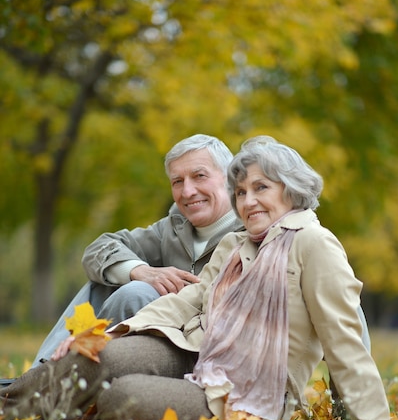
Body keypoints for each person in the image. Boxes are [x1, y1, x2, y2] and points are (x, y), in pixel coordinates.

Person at [0, 136, 395, 420]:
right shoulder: (235, 245)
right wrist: (106, 333)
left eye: (261, 188)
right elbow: (187, 301)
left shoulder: (314, 244)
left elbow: (345, 340)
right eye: (241, 192)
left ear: (290, 190)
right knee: (102, 356)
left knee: (122, 395)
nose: (248, 201)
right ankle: (8, 407)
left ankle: (76, 405)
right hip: (197, 355)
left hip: (249, 394)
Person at [31, 134, 243, 366]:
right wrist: (139, 270)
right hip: (142, 339)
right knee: (106, 278)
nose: (188, 191)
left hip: (197, 351)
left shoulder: (248, 232)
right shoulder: (172, 228)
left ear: (228, 178)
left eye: (199, 176)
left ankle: (62, 378)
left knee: (136, 293)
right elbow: (97, 250)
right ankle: (43, 369)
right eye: (177, 181)